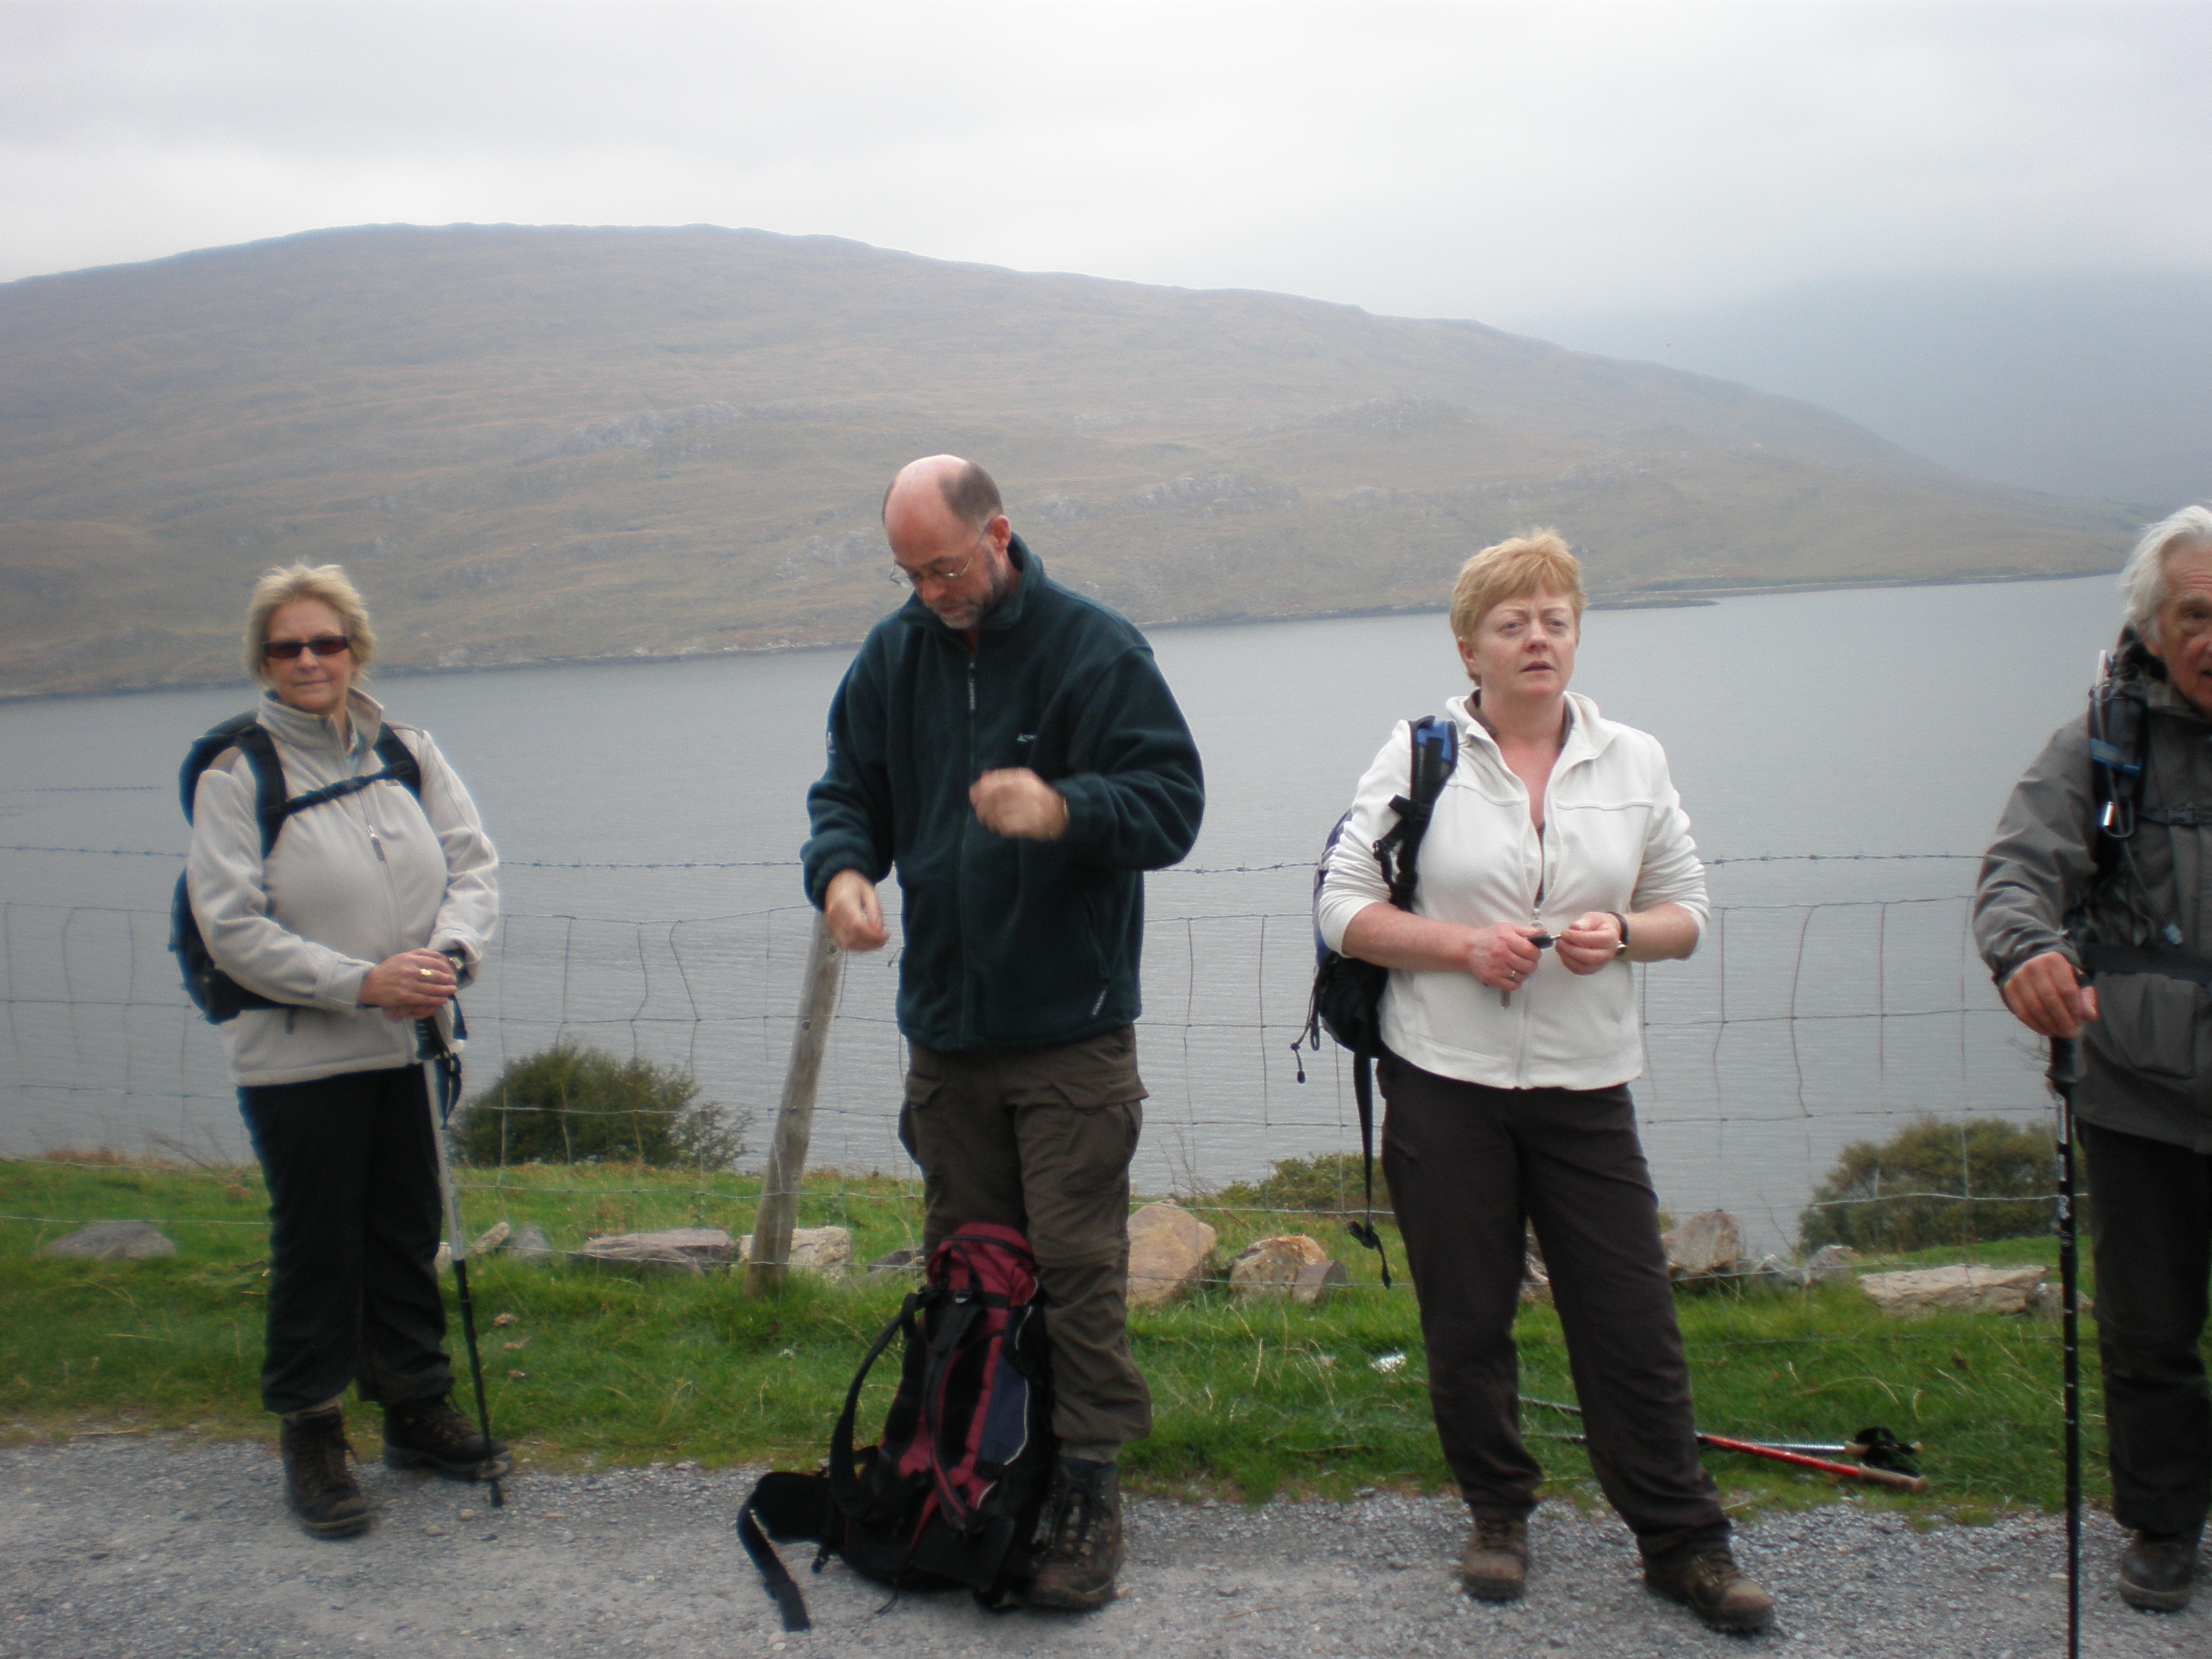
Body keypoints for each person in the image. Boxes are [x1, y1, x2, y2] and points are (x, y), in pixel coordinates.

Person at [1315, 529, 1772, 1633]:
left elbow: (1689, 912)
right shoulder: (1419, 755)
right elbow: (1342, 906)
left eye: (1555, 619)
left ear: (1576, 636)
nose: (1538, 639)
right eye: (1513, 623)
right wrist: (1463, 948)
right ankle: (1497, 1515)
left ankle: (1683, 1544)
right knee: (1466, 1317)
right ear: (1469, 645)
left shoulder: (1635, 760)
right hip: (1446, 1081)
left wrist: (1620, 933)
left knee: (1629, 1320)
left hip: (1585, 1087)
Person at [802, 455, 1204, 1610]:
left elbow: (1173, 804)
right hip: (946, 1027)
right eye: (909, 573)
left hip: (1070, 1028)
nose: (930, 592)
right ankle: (970, 1469)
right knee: (969, 1265)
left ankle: (1085, 1487)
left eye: (943, 567)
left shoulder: (1096, 648)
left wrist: (1064, 809)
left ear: (1000, 533)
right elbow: (847, 795)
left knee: (1076, 1270)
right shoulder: (892, 657)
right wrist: (840, 877)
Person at [186, 562, 505, 1540]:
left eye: (327, 642)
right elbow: (229, 926)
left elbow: (474, 865)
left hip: (413, 1043)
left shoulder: (407, 751)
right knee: (318, 1242)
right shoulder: (238, 774)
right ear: (265, 662)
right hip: (300, 1057)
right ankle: (313, 1430)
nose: (312, 660)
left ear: (356, 648)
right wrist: (361, 983)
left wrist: (449, 955)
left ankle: (414, 1407)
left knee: (407, 1230)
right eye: (289, 647)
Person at [1975, 504, 2212, 1614]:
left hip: (2135, 1079)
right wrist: (2026, 954)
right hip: (2138, 1094)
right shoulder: (2102, 744)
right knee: (2148, 1331)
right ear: (2154, 628)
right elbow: (2018, 873)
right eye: (2195, 614)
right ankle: (2163, 1530)